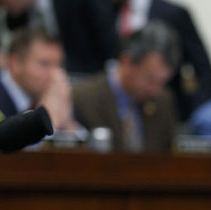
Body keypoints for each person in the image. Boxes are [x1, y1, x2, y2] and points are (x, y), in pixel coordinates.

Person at [72, 21, 180, 153]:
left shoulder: (163, 101)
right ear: (126, 61)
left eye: (162, 82)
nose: (155, 90)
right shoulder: (84, 98)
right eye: (149, 79)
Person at [114, 0, 211, 121]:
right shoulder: (111, 9)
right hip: (117, 106)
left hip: (164, 113)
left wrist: (195, 115)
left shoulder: (173, 13)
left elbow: (203, 69)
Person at [0, 27, 81, 138]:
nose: (55, 75)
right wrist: (48, 117)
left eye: (59, 65)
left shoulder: (59, 98)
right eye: (44, 64)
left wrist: (67, 123)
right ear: (15, 63)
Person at [0, 0, 119, 77]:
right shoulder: (16, 14)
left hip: (88, 76)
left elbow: (109, 43)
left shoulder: (79, 4)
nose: (1, 5)